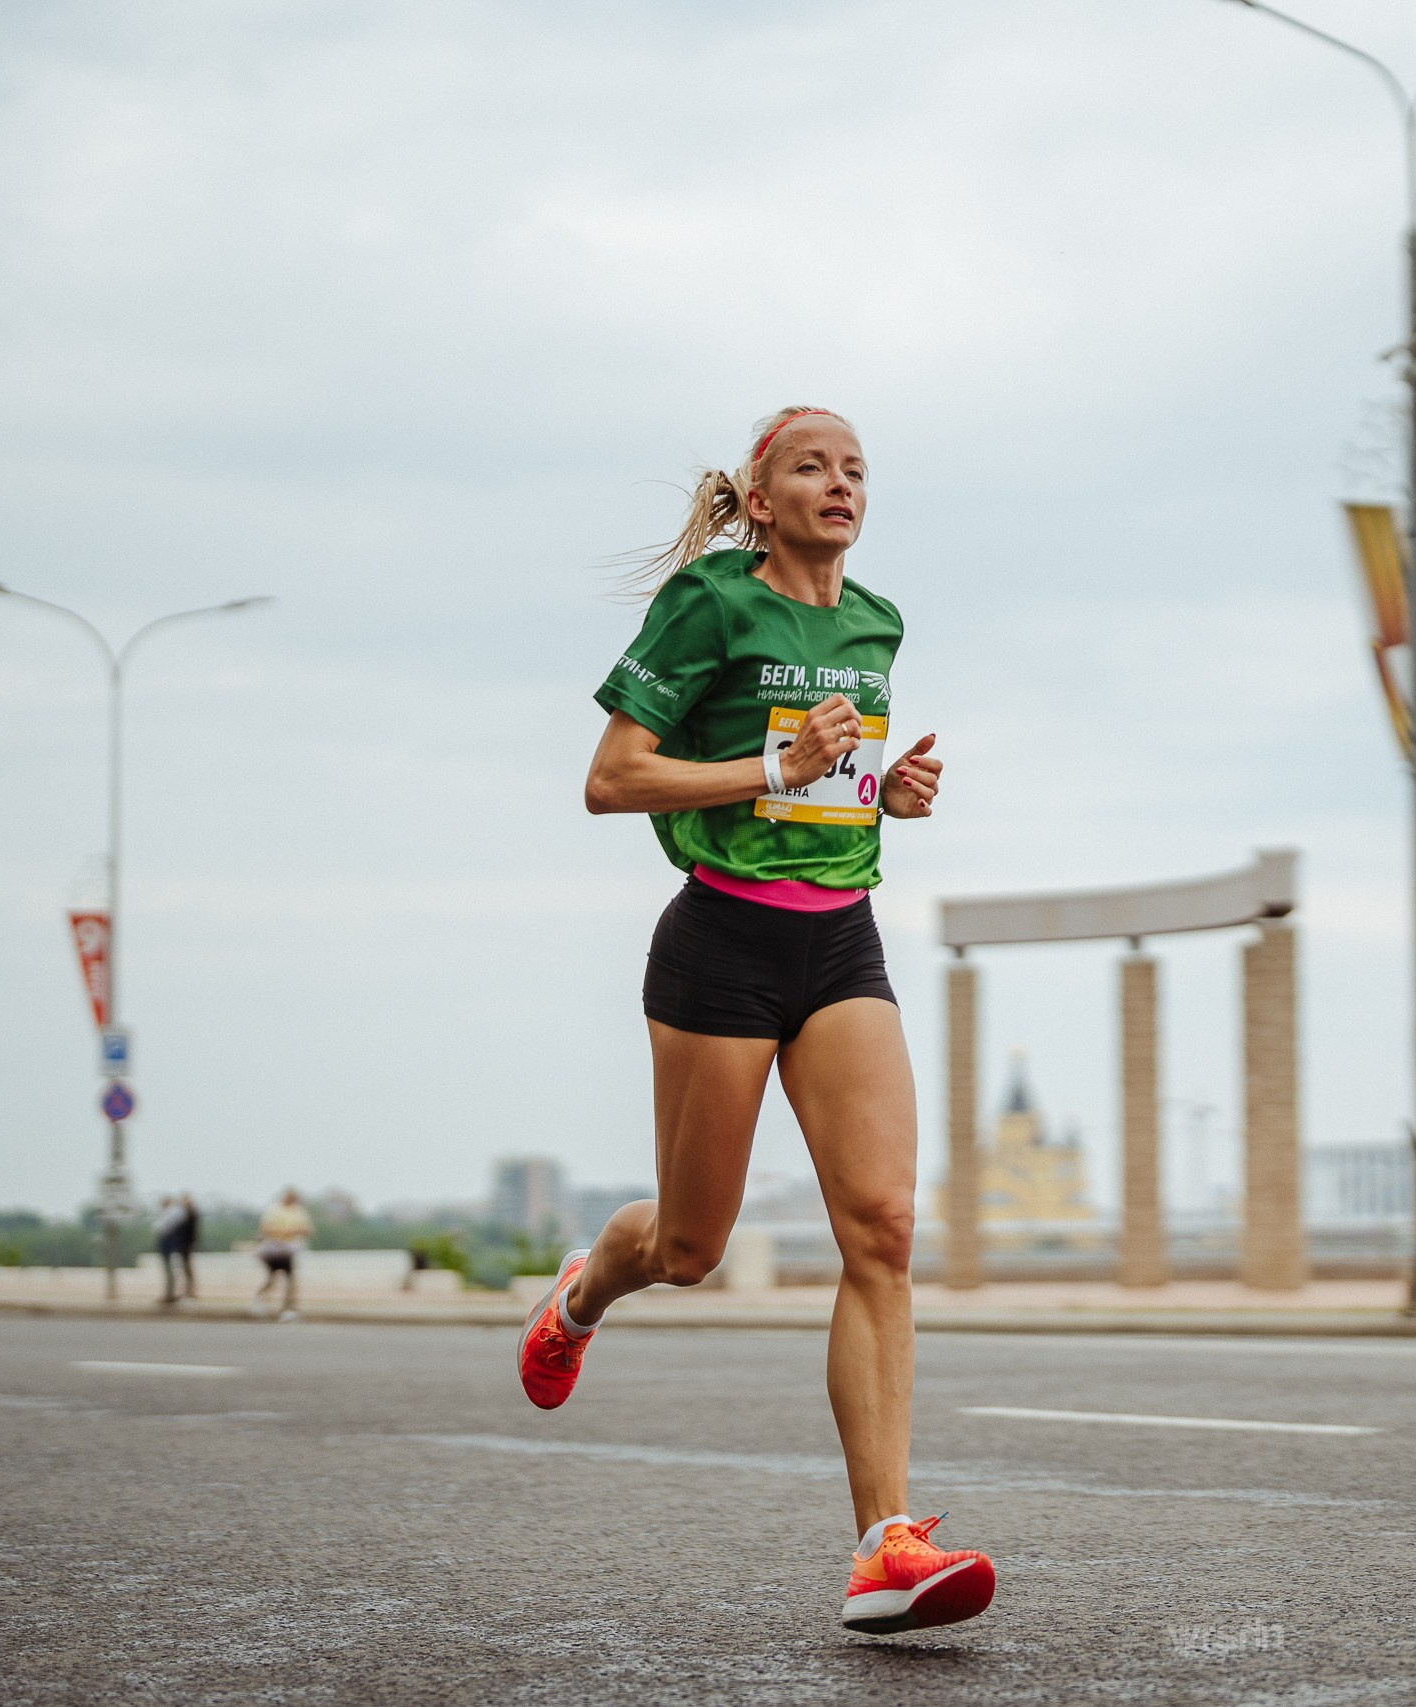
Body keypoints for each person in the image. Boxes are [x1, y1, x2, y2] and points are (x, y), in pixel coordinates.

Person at [517, 406, 991, 1636]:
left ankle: (883, 1544)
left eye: (855, 469)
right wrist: (771, 773)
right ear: (762, 498)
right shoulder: (711, 606)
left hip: (838, 935)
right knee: (690, 1248)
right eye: (811, 468)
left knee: (881, 1227)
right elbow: (611, 778)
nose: (840, 484)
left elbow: (831, 788)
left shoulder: (876, 622)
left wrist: (886, 794)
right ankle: (582, 1293)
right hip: (720, 942)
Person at [253, 1189, 312, 1321]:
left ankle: (288, 1309)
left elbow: (307, 1229)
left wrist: (290, 1232)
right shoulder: (274, 1210)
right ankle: (259, 1299)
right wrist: (284, 1232)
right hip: (273, 1250)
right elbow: (264, 1228)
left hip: (289, 1251)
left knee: (291, 1281)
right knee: (272, 1280)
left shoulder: (299, 1211)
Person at [152, 1195, 187, 1305]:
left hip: (170, 1247)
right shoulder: (170, 1216)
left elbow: (159, 1227)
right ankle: (170, 1294)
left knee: (171, 1272)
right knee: (171, 1272)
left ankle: (171, 1294)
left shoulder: (173, 1215)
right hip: (170, 1247)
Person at [175, 1194, 202, 1301]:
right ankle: (188, 1290)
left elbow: (191, 1233)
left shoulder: (190, 1216)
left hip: (186, 1245)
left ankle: (190, 1290)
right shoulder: (186, 1215)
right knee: (186, 1269)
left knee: (187, 1269)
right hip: (185, 1245)